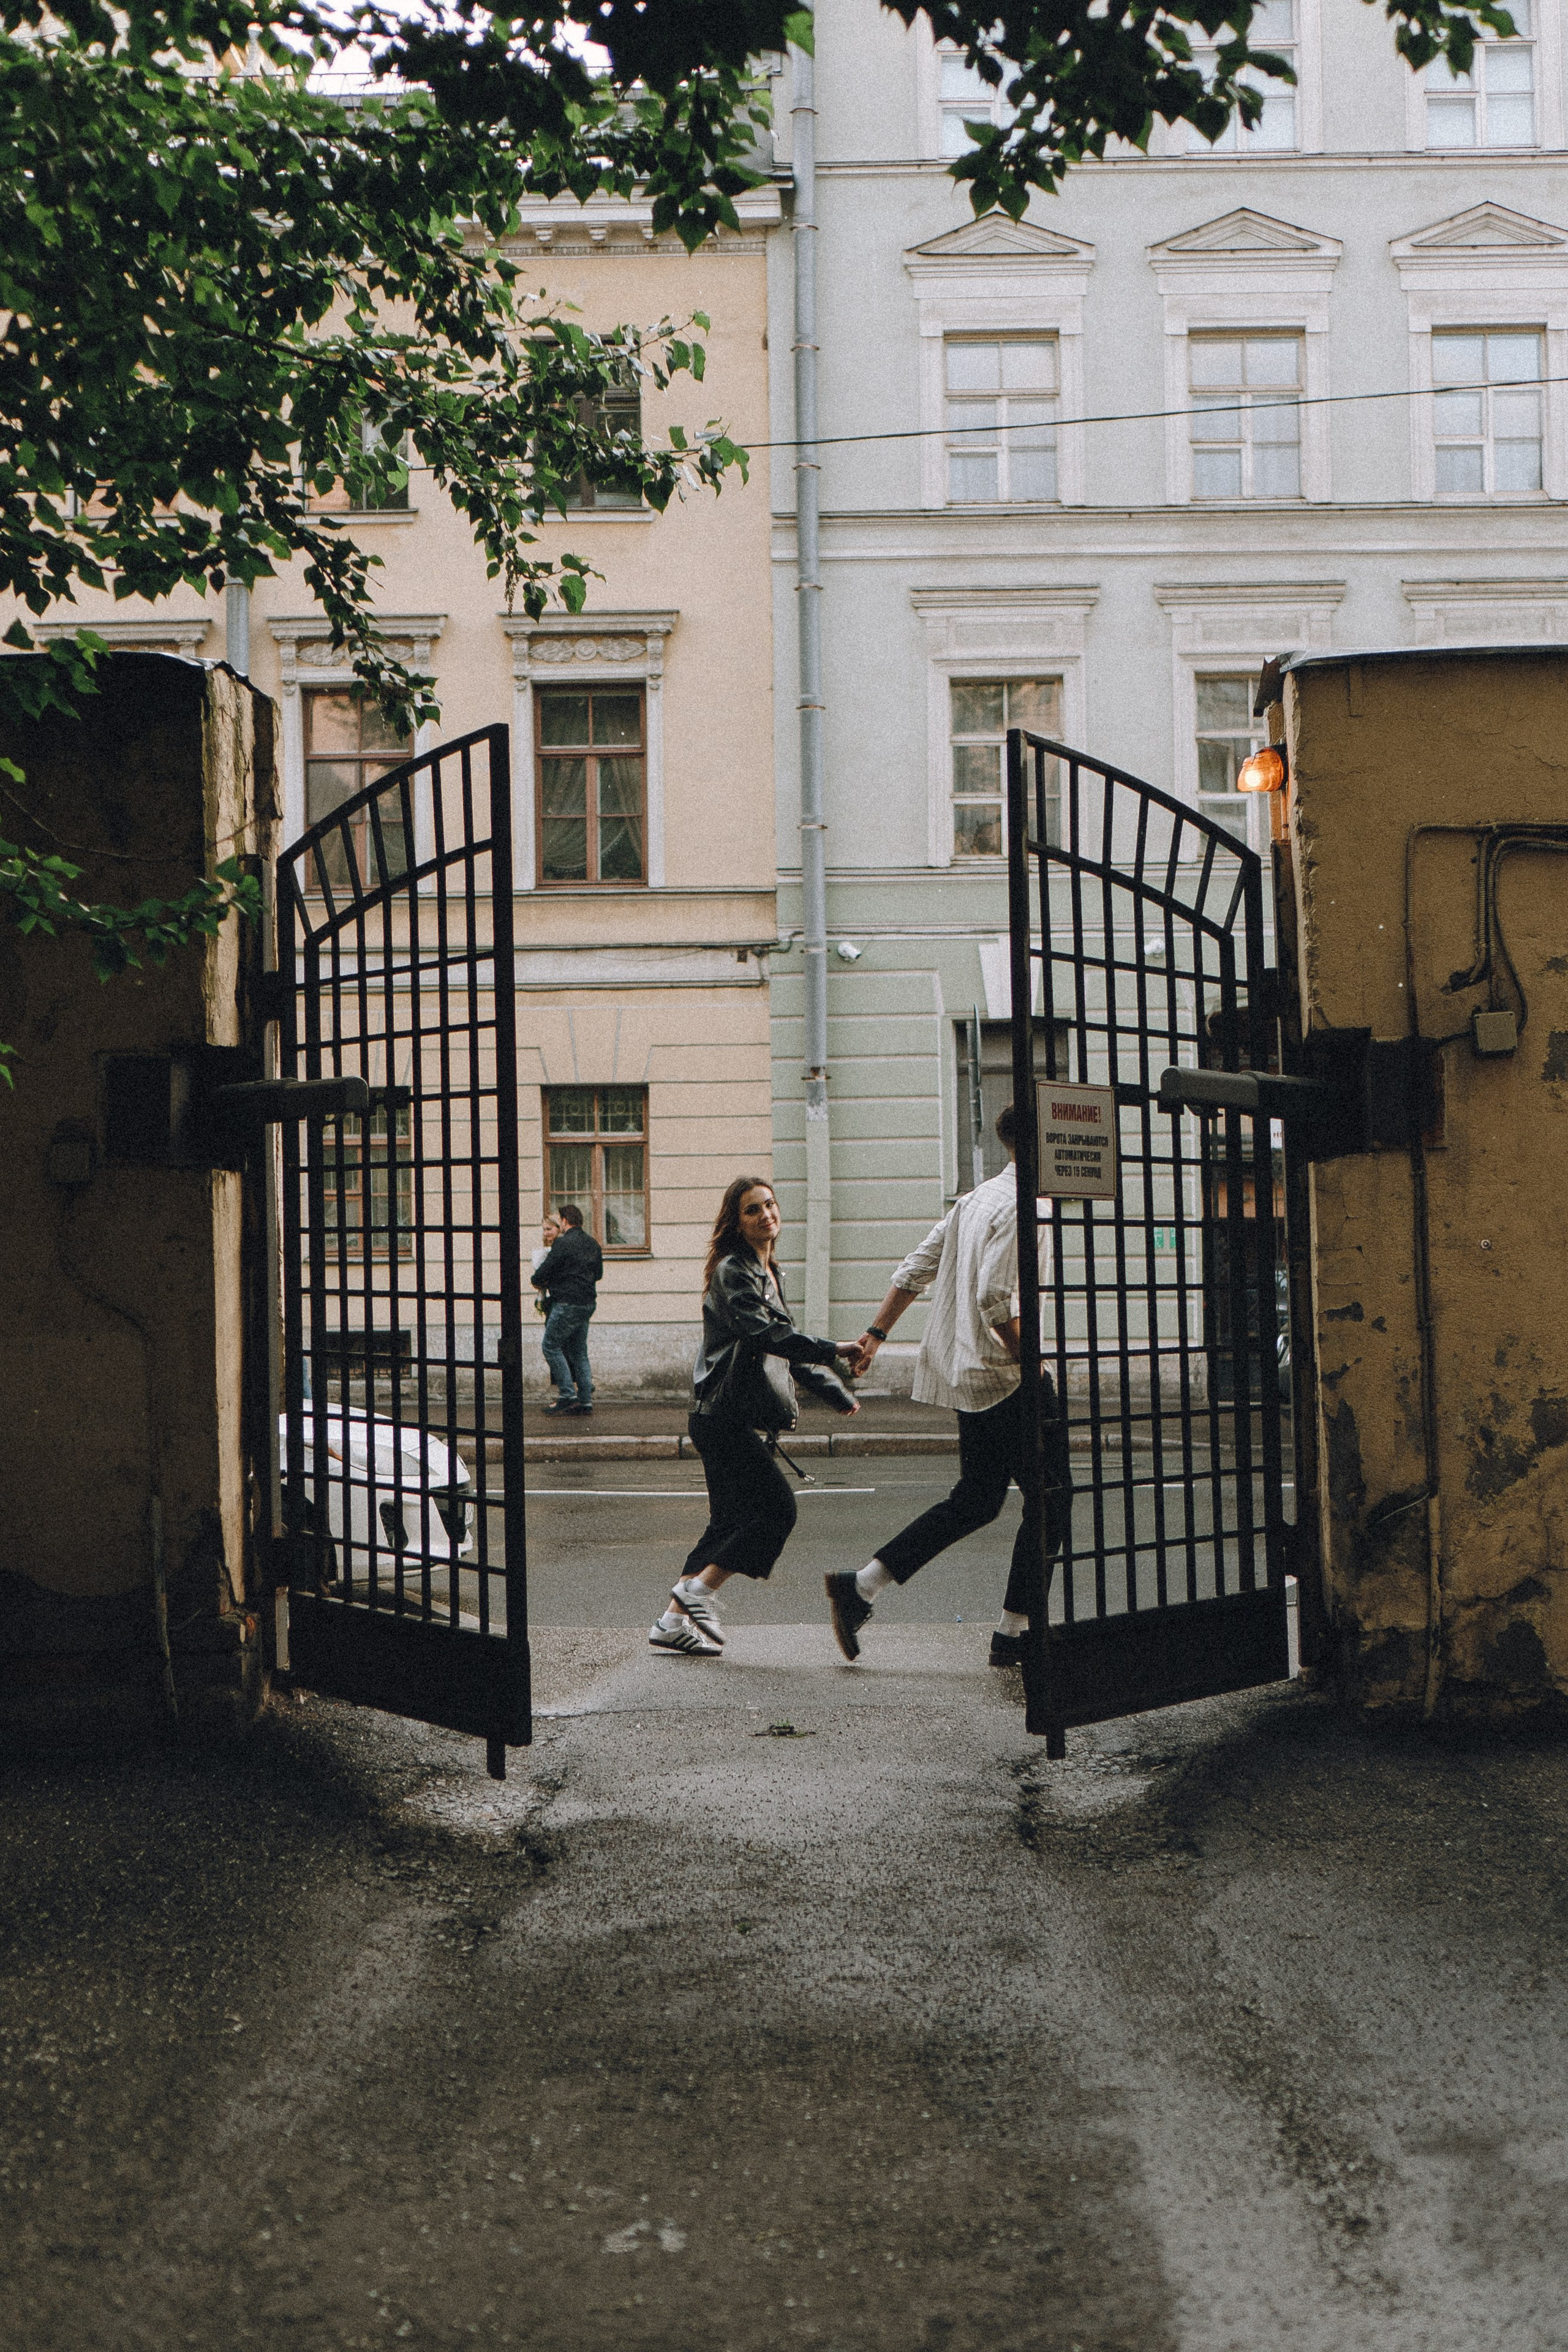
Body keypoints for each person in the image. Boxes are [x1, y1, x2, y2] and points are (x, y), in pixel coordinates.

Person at [824, 1103, 1070, 1667]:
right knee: (1054, 1501)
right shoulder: (1026, 1206)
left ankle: (860, 1586)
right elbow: (995, 1302)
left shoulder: (975, 1199)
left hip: (970, 1376)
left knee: (978, 1500)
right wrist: (1032, 1368)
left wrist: (874, 1335)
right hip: (1007, 1376)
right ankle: (1015, 1632)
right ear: (1039, 1147)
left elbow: (914, 1269)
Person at [650, 1175, 861, 1656]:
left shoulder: (769, 1273)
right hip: (721, 1417)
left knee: (726, 1524)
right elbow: (770, 1336)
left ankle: (670, 1622)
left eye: (770, 1204)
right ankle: (698, 1592)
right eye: (753, 1210)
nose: (767, 1214)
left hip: (728, 1417)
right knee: (776, 1511)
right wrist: (837, 1350)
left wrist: (833, 1390)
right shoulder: (734, 1272)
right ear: (737, 1223)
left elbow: (784, 1346)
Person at [530, 1202, 603, 1416]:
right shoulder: (593, 1244)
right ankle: (585, 1401)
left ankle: (567, 1396)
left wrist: (538, 1280)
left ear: (564, 1221)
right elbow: (598, 1275)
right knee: (579, 1351)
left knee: (551, 1346)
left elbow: (544, 1272)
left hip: (566, 1303)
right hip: (587, 1303)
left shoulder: (563, 1244)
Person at [530, 1213, 562, 1321]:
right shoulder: (552, 1247)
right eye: (544, 1230)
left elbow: (541, 1276)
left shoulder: (560, 1248)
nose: (545, 1233)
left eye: (549, 1229)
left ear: (559, 1228)